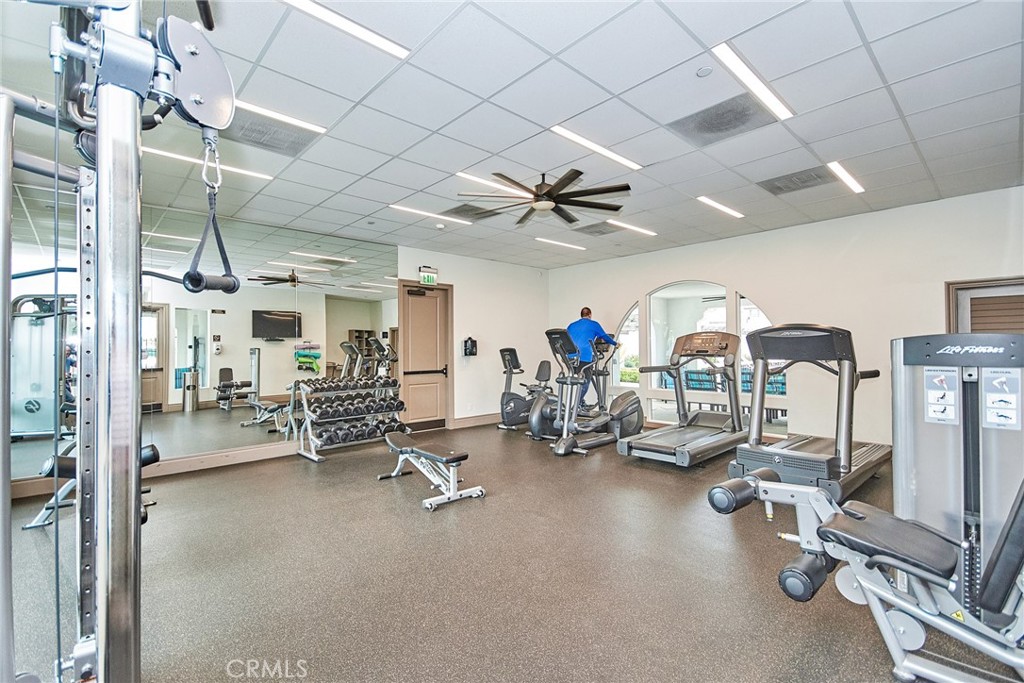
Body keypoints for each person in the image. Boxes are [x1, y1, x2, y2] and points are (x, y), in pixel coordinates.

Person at [567, 307, 617, 409]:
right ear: (590, 315)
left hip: (570, 358)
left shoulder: (571, 325)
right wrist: (615, 343)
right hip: (584, 357)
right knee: (585, 381)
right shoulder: (594, 324)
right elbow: (605, 337)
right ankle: (576, 405)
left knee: (577, 378)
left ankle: (580, 403)